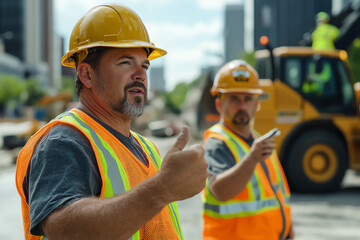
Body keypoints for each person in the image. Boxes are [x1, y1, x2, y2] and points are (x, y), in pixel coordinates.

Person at [15, 4, 208, 240]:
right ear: (87, 75)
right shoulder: (64, 141)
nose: (140, 74)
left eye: (145, 65)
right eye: (126, 62)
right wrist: (162, 189)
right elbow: (62, 229)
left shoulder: (145, 147)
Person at [202, 60, 294, 240]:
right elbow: (221, 191)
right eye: (234, 99)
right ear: (220, 105)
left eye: (247, 99)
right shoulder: (217, 142)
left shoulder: (259, 141)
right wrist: (252, 158)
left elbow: (275, 193)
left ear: (256, 104)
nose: (242, 106)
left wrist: (288, 229)